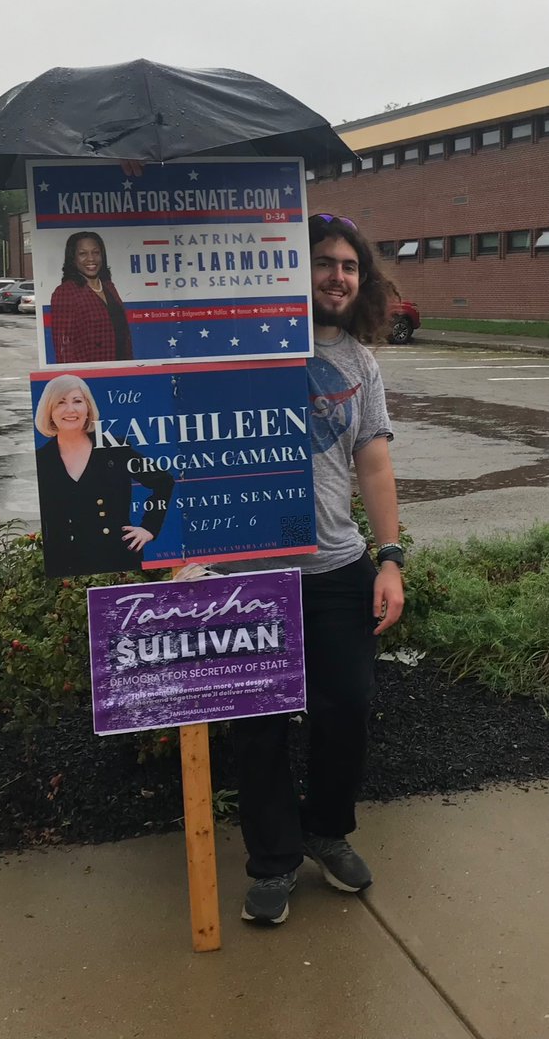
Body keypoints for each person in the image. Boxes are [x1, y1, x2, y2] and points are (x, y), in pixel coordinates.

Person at [230, 212, 405, 926]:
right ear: (292, 270)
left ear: (359, 279)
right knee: (260, 725)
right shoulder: (248, 348)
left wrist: (389, 558)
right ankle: (272, 861)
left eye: (348, 266)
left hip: (337, 566)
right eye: (322, 261)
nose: (336, 275)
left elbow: (373, 462)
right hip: (252, 571)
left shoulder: (359, 363)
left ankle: (324, 831)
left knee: (347, 708)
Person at [34, 374, 173, 577]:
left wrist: (149, 528)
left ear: (88, 408)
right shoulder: (42, 460)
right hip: (66, 566)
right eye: (60, 403)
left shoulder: (113, 447)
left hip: (117, 559)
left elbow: (164, 481)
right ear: (49, 411)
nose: (70, 409)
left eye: (77, 401)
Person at [50, 231, 133, 364]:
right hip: (91, 375)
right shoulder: (66, 292)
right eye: (83, 253)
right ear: (73, 258)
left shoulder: (109, 286)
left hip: (121, 370)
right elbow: (64, 347)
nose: (91, 259)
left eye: (96, 252)